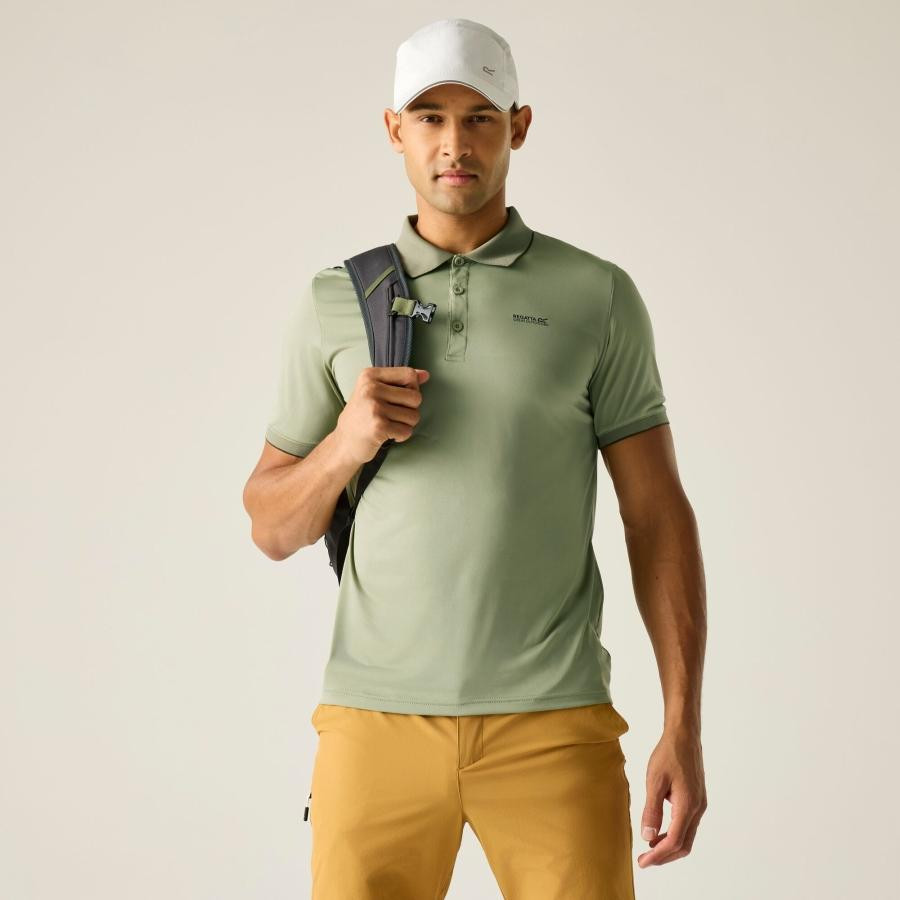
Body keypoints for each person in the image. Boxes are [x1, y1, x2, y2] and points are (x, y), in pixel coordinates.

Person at [242, 17, 707, 899]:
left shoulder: (596, 294)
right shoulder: (337, 300)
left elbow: (656, 514)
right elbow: (271, 527)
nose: (455, 143)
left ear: (518, 127)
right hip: (374, 723)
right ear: (395, 130)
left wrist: (682, 724)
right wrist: (346, 443)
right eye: (430, 118)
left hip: (554, 724)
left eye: (480, 117)